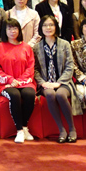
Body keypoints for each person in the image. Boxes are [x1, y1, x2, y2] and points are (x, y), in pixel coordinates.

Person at [33, 15, 81, 144]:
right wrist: (43, 83)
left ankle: (72, 129)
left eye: (51, 25)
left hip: (63, 82)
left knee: (60, 94)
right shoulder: (36, 47)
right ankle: (61, 130)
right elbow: (35, 69)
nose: (48, 28)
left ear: (56, 27)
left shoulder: (65, 44)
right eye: (45, 25)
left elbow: (70, 66)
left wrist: (59, 82)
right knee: (50, 94)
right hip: (46, 83)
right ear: (41, 28)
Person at [0, 18, 37, 143]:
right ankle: (19, 130)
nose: (12, 31)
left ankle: (25, 127)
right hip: (5, 83)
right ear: (5, 31)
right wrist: (10, 80)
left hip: (24, 82)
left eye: (15, 28)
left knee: (30, 94)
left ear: (19, 30)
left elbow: (30, 68)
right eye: (9, 28)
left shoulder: (27, 47)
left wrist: (19, 81)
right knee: (15, 95)